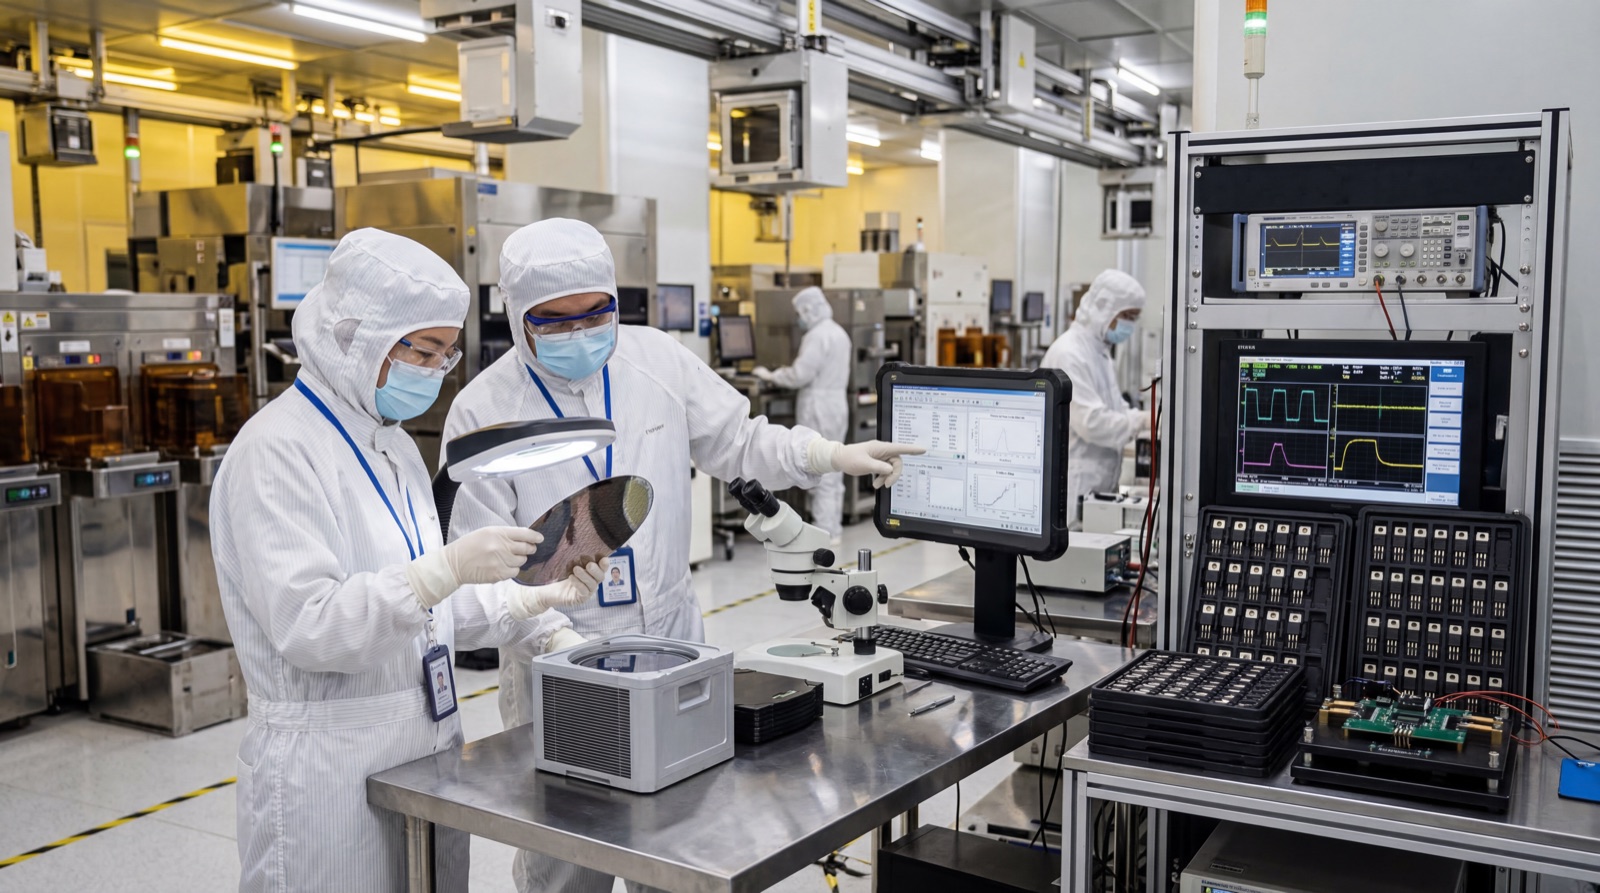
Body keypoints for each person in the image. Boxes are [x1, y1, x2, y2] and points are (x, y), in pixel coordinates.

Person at [443, 217, 922, 893]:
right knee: (564, 867)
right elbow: (482, 573)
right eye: (556, 321)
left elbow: (741, 440)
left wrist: (828, 455)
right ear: (517, 316)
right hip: (558, 668)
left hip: (671, 645)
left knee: (679, 851)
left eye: (596, 313)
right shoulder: (483, 410)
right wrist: (557, 630)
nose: (582, 333)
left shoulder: (656, 362)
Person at [211, 228, 595, 893]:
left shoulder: (393, 447)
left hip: (424, 752)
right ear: (354, 335)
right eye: (424, 349)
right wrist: (438, 570)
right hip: (329, 768)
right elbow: (312, 627)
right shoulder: (275, 452)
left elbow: (425, 615)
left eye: (447, 354)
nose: (436, 369)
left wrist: (526, 600)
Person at [1040, 269, 1151, 525]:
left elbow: (1117, 410)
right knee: (1071, 563)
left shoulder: (1100, 353)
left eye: (1135, 318)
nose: (1130, 326)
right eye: (1127, 316)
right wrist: (1142, 423)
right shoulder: (1070, 353)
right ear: (1104, 309)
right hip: (1073, 492)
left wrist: (1146, 419)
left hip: (1095, 491)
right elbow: (1092, 423)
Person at [752, 286, 852, 542]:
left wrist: (771, 375)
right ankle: (833, 528)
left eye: (800, 313)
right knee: (835, 465)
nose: (799, 318)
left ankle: (824, 532)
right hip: (836, 405)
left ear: (809, 309)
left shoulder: (817, 336)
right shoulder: (839, 333)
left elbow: (800, 375)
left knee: (820, 467)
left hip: (818, 407)